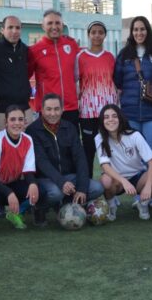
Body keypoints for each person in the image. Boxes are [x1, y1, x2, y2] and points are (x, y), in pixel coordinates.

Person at [26, 94, 104, 226]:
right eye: (49, 109)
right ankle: (40, 208)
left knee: (97, 188)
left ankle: (67, 203)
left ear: (62, 110)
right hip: (45, 179)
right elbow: (41, 162)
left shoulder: (69, 127)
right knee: (56, 193)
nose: (53, 113)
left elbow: (80, 158)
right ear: (42, 110)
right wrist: (61, 182)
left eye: (56, 109)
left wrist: (82, 188)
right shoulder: (33, 130)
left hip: (68, 177)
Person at [113, 16, 152, 207]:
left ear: (148, 31)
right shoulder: (124, 54)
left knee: (151, 152)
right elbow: (118, 80)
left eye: (142, 29)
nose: (139, 33)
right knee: (135, 155)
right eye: (135, 29)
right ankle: (139, 194)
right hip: (130, 112)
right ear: (131, 32)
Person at [96, 104, 152, 221]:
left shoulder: (134, 135)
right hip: (117, 180)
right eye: (106, 117)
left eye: (114, 116)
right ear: (102, 121)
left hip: (138, 177)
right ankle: (111, 207)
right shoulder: (100, 138)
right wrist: (123, 181)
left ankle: (142, 204)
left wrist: (148, 186)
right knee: (105, 180)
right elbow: (105, 166)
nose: (110, 120)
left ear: (120, 118)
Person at [0, 106, 40, 232]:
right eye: (12, 119)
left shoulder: (28, 140)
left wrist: (33, 184)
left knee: (38, 190)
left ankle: (14, 213)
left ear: (25, 122)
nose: (17, 123)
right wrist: (10, 193)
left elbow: (28, 172)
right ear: (6, 122)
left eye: (20, 119)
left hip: (10, 182)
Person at [76, 21, 118, 174]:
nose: (97, 35)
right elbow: (74, 80)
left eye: (100, 32)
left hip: (108, 114)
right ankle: (86, 193)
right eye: (93, 32)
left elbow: (116, 81)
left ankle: (111, 192)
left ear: (105, 35)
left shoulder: (110, 57)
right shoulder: (80, 57)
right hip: (87, 112)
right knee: (88, 151)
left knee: (110, 151)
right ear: (88, 35)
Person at [28, 10, 81, 126]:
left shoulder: (72, 45)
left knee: (71, 143)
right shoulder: (34, 50)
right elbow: (24, 77)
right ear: (43, 26)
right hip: (48, 109)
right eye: (50, 23)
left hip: (70, 108)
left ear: (62, 25)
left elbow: (79, 73)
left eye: (57, 23)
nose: (54, 27)